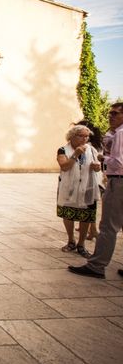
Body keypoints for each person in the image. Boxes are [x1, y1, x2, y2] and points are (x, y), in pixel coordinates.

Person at [69, 102, 123, 279]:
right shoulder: (115, 133)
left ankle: (97, 265)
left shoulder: (121, 133)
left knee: (108, 226)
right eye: (110, 113)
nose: (111, 116)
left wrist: (103, 160)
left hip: (118, 182)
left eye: (115, 114)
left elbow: (118, 162)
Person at [54, 125, 100, 258]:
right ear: (72, 136)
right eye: (81, 136)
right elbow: (64, 167)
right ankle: (71, 240)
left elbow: (97, 168)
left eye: (86, 136)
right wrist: (75, 154)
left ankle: (81, 244)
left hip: (87, 187)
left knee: (86, 215)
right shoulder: (63, 150)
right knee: (68, 214)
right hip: (69, 187)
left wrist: (96, 167)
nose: (84, 139)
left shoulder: (91, 150)